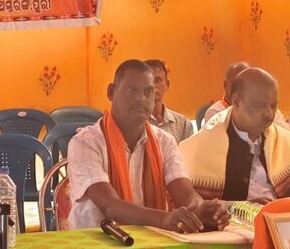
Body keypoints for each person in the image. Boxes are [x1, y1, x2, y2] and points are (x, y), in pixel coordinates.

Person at [68, 60, 229, 232]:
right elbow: (110, 206)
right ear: (111, 92)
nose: (141, 99)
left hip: (152, 239)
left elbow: (185, 195)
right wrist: (164, 219)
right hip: (95, 239)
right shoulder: (85, 142)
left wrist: (202, 209)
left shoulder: (165, 142)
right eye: (131, 90)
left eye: (148, 92)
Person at [180, 68, 290, 203]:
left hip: (281, 214)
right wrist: (246, 207)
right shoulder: (203, 145)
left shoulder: (285, 140)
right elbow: (196, 205)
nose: (269, 114)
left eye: (273, 106)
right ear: (236, 101)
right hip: (230, 217)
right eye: (260, 106)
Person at [204, 61, 290, 130]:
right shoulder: (215, 112)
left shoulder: (268, 107)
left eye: (249, 85)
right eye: (237, 84)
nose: (244, 89)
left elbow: (288, 135)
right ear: (225, 85)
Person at [144, 59, 193, 143]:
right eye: (148, 81)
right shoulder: (135, 125)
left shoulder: (183, 124)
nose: (153, 85)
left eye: (158, 80)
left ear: (167, 84)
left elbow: (190, 150)